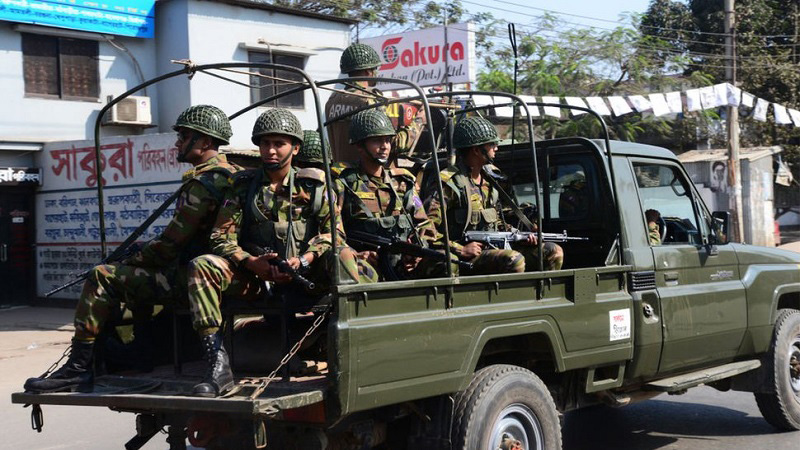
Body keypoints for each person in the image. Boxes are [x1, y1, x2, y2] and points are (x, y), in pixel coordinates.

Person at [24, 105, 241, 394]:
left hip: (193, 278)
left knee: (103, 276)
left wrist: (133, 258)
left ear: (204, 142)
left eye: (184, 136)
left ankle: (79, 369)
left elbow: (169, 245)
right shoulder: (232, 174)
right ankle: (137, 353)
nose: (177, 142)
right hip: (218, 274)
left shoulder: (206, 182)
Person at [186, 109, 376, 396]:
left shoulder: (315, 186)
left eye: (279, 143)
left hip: (308, 278)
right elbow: (220, 236)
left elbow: (333, 234)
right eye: (265, 143)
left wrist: (304, 259)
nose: (271, 150)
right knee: (203, 265)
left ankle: (349, 354)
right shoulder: (243, 186)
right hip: (257, 279)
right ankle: (217, 365)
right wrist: (250, 262)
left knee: (344, 254)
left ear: (295, 148)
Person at [423, 116, 563, 274]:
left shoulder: (491, 181)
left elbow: (496, 222)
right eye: (492, 144)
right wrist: (460, 249)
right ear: (476, 150)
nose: (496, 148)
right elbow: (426, 230)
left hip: (493, 248)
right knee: (513, 259)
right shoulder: (450, 183)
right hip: (464, 257)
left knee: (553, 251)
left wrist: (522, 236)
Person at [333, 109, 447, 280]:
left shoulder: (402, 181)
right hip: (365, 263)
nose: (385, 146)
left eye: (388, 140)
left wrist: (417, 249)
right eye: (377, 141)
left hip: (402, 261)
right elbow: (333, 232)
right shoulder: (342, 182)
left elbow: (424, 223)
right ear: (359, 145)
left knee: (446, 262)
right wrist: (356, 254)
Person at [325, 43, 424, 163]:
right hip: (364, 175)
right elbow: (392, 144)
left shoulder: (332, 100)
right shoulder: (370, 100)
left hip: (339, 173)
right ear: (368, 71)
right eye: (375, 69)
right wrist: (418, 121)